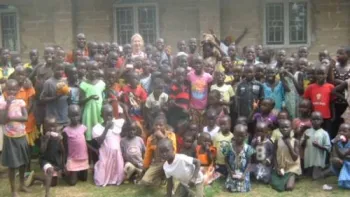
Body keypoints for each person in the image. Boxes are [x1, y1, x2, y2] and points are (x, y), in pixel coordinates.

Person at [0, 79, 30, 197]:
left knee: (23, 162)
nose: (11, 92)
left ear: (18, 90)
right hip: (10, 137)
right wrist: (7, 105)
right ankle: (13, 190)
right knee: (12, 165)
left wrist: (11, 118)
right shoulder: (2, 104)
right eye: (9, 89)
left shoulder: (21, 102)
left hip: (21, 135)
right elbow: (2, 120)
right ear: (5, 90)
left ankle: (22, 184)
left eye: (14, 89)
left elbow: (25, 118)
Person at [92, 103, 125, 186]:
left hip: (116, 153)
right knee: (102, 173)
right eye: (107, 115)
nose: (109, 117)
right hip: (105, 153)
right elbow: (99, 142)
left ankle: (115, 180)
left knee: (117, 167)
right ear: (101, 115)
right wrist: (106, 128)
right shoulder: (98, 128)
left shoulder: (117, 124)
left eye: (111, 115)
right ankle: (105, 180)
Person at [140, 116, 177, 186]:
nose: (158, 127)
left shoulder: (171, 135)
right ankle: (160, 179)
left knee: (170, 177)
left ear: (165, 126)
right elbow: (148, 155)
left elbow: (173, 149)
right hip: (157, 164)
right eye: (156, 125)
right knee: (145, 181)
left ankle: (169, 181)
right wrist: (145, 167)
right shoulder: (150, 138)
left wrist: (162, 137)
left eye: (161, 125)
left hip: (169, 162)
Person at [304, 65, 335, 138]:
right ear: (315, 75)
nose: (320, 76)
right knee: (314, 136)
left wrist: (334, 115)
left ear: (326, 75)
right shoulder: (310, 87)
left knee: (326, 135)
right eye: (318, 73)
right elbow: (306, 102)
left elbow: (332, 103)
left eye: (322, 73)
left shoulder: (331, 87)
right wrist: (308, 115)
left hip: (326, 117)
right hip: (314, 118)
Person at [271, 119, 301, 192]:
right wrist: (277, 167)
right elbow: (274, 155)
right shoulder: (277, 141)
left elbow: (295, 158)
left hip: (292, 168)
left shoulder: (295, 141)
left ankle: (293, 177)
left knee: (289, 188)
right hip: (281, 168)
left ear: (291, 128)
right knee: (274, 183)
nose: (284, 129)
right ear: (279, 129)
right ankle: (284, 178)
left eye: (287, 127)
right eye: (282, 127)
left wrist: (289, 145)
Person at [62, 105, 88, 186]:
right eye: (72, 115)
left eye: (77, 115)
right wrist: (65, 161)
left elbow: (85, 144)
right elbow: (65, 147)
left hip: (83, 158)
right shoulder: (66, 130)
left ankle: (76, 172)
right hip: (73, 159)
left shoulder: (83, 128)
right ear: (68, 116)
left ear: (80, 115)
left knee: (84, 179)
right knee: (72, 183)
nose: (75, 118)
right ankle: (66, 175)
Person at [224, 124, 254, 193]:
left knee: (243, 188)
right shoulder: (228, 147)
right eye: (237, 135)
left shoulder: (248, 148)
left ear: (246, 136)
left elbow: (249, 163)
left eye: (242, 136)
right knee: (230, 187)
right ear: (233, 134)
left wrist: (244, 174)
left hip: (243, 173)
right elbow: (225, 160)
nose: (239, 138)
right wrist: (230, 171)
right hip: (232, 172)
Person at [30, 47, 55, 130]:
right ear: (43, 55)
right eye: (47, 53)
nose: (49, 55)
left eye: (52, 53)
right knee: (37, 123)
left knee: (47, 124)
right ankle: (38, 141)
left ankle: (46, 141)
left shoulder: (56, 68)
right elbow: (29, 77)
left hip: (50, 102)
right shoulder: (40, 66)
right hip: (38, 101)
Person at [79, 61, 105, 141]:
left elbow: (104, 98)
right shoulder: (83, 84)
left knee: (100, 133)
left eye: (95, 69)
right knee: (90, 134)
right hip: (89, 112)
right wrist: (89, 98)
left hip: (99, 111)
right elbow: (80, 101)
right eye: (91, 69)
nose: (94, 71)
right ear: (87, 70)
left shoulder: (101, 83)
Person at [301, 111, 331, 180]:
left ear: (322, 120)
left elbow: (328, 148)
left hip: (318, 160)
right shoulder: (307, 131)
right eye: (313, 119)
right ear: (310, 120)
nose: (315, 121)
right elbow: (302, 145)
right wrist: (305, 140)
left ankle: (330, 170)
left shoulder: (324, 133)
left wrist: (319, 146)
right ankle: (314, 171)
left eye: (318, 119)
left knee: (316, 177)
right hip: (309, 159)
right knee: (308, 175)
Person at [39, 116, 64, 197]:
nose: (51, 129)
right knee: (50, 170)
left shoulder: (58, 138)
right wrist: (46, 140)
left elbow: (63, 152)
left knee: (53, 183)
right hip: (45, 161)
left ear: (56, 126)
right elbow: (42, 151)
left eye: (53, 126)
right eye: (49, 126)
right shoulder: (43, 137)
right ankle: (47, 194)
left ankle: (35, 177)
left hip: (55, 161)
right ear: (45, 127)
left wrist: (62, 166)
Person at [40, 63, 69, 129]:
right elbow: (42, 99)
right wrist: (55, 97)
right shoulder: (48, 82)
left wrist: (69, 94)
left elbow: (67, 97)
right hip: (54, 119)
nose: (60, 71)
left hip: (65, 116)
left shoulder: (65, 81)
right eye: (58, 69)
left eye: (62, 69)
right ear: (53, 69)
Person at [187, 56, 213, 129]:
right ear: (193, 64)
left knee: (203, 127)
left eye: (199, 63)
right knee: (194, 127)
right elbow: (188, 90)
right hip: (193, 108)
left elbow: (210, 91)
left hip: (204, 108)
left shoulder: (208, 77)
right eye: (196, 63)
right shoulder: (189, 75)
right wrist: (189, 105)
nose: (197, 65)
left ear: (203, 64)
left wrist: (208, 105)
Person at [330, 123, 350, 189]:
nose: (341, 133)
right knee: (334, 161)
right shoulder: (337, 142)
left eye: (344, 131)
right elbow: (334, 155)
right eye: (340, 131)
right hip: (342, 162)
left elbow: (344, 154)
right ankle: (342, 179)